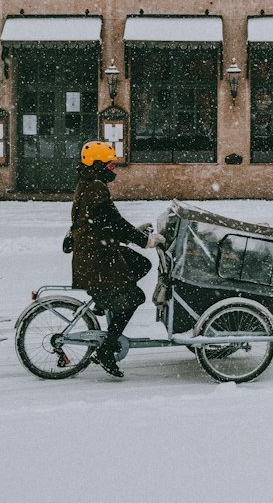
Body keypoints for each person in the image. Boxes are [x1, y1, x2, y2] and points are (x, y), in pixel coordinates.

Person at [69, 139, 164, 378]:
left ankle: (107, 299)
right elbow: (115, 221)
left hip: (97, 252)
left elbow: (104, 223)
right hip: (97, 259)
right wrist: (144, 241)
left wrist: (136, 234)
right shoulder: (96, 188)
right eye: (110, 165)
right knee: (134, 296)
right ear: (98, 164)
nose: (114, 169)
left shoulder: (89, 183)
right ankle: (107, 350)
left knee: (142, 263)